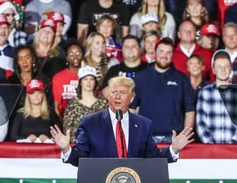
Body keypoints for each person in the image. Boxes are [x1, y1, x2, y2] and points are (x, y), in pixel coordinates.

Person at [51, 76, 193, 165]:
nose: (117, 97)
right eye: (113, 92)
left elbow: (153, 158)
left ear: (131, 98)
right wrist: (67, 149)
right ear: (107, 96)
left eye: (123, 93)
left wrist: (173, 149)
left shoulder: (144, 125)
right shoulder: (90, 123)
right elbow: (81, 157)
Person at [132, 37, 195, 143]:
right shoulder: (140, 78)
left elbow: (190, 111)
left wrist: (184, 137)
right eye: (161, 51)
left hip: (174, 139)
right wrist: (135, 135)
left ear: (172, 55)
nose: (164, 56)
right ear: (155, 52)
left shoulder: (182, 79)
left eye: (168, 52)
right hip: (146, 138)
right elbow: (132, 109)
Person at [196, 50, 237, 144]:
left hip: (235, 150)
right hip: (210, 150)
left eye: (226, 66)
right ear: (214, 70)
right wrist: (210, 144)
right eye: (219, 67)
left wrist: (233, 144)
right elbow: (200, 123)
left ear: (231, 69)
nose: (223, 70)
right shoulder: (205, 93)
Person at [63, 66, 108, 143]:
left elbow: (108, 126)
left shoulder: (103, 103)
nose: (88, 82)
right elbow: (67, 129)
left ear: (95, 82)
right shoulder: (72, 104)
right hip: (78, 145)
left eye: (91, 79)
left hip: (100, 145)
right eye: (85, 79)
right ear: (80, 82)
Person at [52, 42, 83, 117]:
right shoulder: (58, 78)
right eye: (71, 54)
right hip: (65, 120)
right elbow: (56, 106)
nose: (75, 57)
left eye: (78, 53)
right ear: (67, 58)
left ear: (82, 55)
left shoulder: (88, 76)